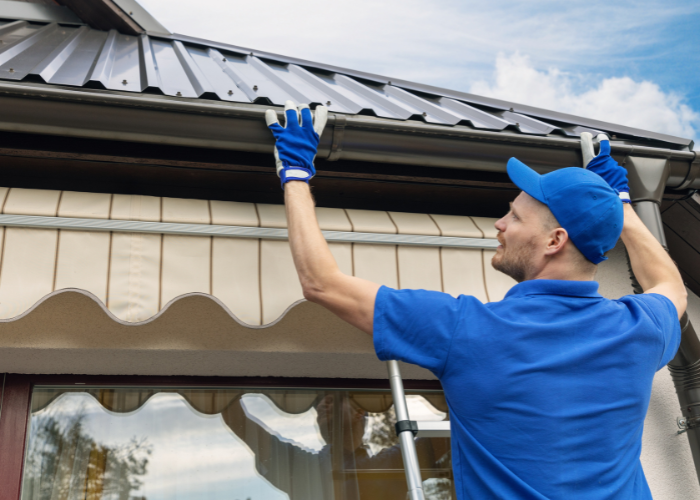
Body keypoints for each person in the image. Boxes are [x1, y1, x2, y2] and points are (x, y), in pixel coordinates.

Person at [264, 101, 686, 499]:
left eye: (516, 217)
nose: (500, 224)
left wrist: (296, 174)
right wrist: (621, 209)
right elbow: (670, 285)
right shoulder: (639, 329)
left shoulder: (467, 330)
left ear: (555, 241)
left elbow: (322, 283)